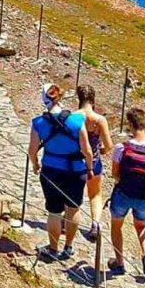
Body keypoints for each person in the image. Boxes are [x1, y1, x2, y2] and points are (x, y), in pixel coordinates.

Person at [27, 82, 94, 261]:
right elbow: (87, 150)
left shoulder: (38, 123)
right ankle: (69, 247)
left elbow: (32, 150)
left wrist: (35, 164)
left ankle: (53, 248)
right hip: (75, 170)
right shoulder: (77, 120)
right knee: (73, 209)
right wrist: (89, 168)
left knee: (54, 212)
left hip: (51, 170)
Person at [109, 107, 145, 277]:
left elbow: (114, 173)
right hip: (144, 197)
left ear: (131, 126)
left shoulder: (121, 148)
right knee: (142, 226)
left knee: (116, 226)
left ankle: (119, 263)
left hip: (123, 193)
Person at [76, 83, 113, 231]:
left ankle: (68, 220)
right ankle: (95, 223)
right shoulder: (99, 120)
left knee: (73, 191)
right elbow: (109, 145)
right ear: (93, 99)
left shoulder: (73, 116)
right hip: (95, 162)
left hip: (76, 160)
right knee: (95, 194)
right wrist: (101, 151)